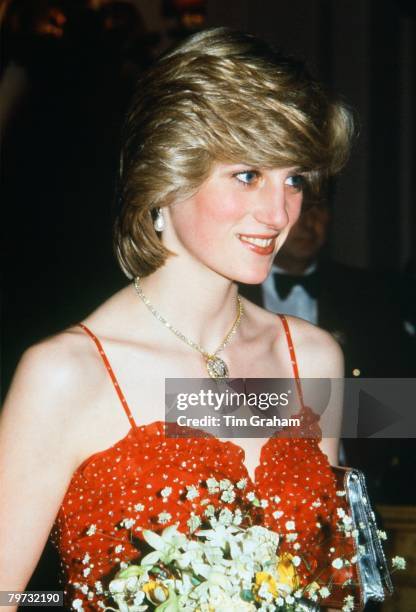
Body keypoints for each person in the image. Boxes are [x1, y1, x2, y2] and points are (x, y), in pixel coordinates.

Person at [0, 28, 356, 611]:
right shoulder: (66, 374)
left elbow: (332, 574)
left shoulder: (314, 358)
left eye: (293, 179)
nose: (279, 211)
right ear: (168, 177)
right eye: (248, 174)